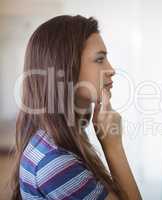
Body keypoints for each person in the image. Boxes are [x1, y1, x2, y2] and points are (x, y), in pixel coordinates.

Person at [10, 15, 142, 200]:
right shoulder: (57, 164)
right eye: (99, 59)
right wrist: (113, 146)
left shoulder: (58, 136)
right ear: (64, 68)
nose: (111, 69)